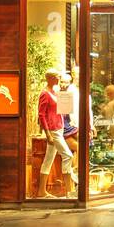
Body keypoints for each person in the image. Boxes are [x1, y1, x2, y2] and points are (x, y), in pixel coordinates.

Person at [37, 70, 75, 198]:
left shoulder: (55, 92)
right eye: (57, 77)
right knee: (68, 156)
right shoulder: (45, 94)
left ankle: (41, 191)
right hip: (53, 130)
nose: (59, 79)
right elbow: (41, 115)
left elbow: (62, 110)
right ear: (51, 78)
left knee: (48, 159)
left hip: (58, 127)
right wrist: (47, 133)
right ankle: (69, 191)